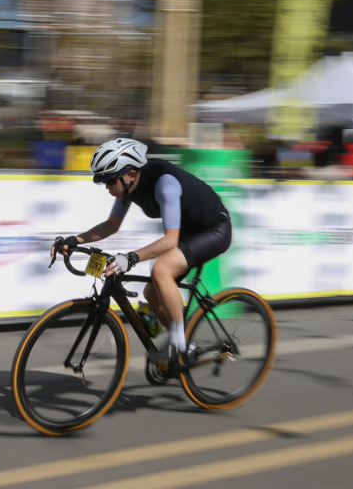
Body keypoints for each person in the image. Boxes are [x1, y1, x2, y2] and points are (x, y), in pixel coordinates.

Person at [50, 138, 232, 370]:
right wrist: (75, 240)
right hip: (190, 232)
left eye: (110, 180)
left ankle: (180, 347)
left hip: (215, 230)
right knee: (152, 294)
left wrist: (130, 257)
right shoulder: (126, 189)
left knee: (161, 269)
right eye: (103, 181)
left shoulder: (165, 183)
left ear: (131, 175)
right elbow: (111, 225)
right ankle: (188, 344)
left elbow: (170, 240)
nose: (107, 187)